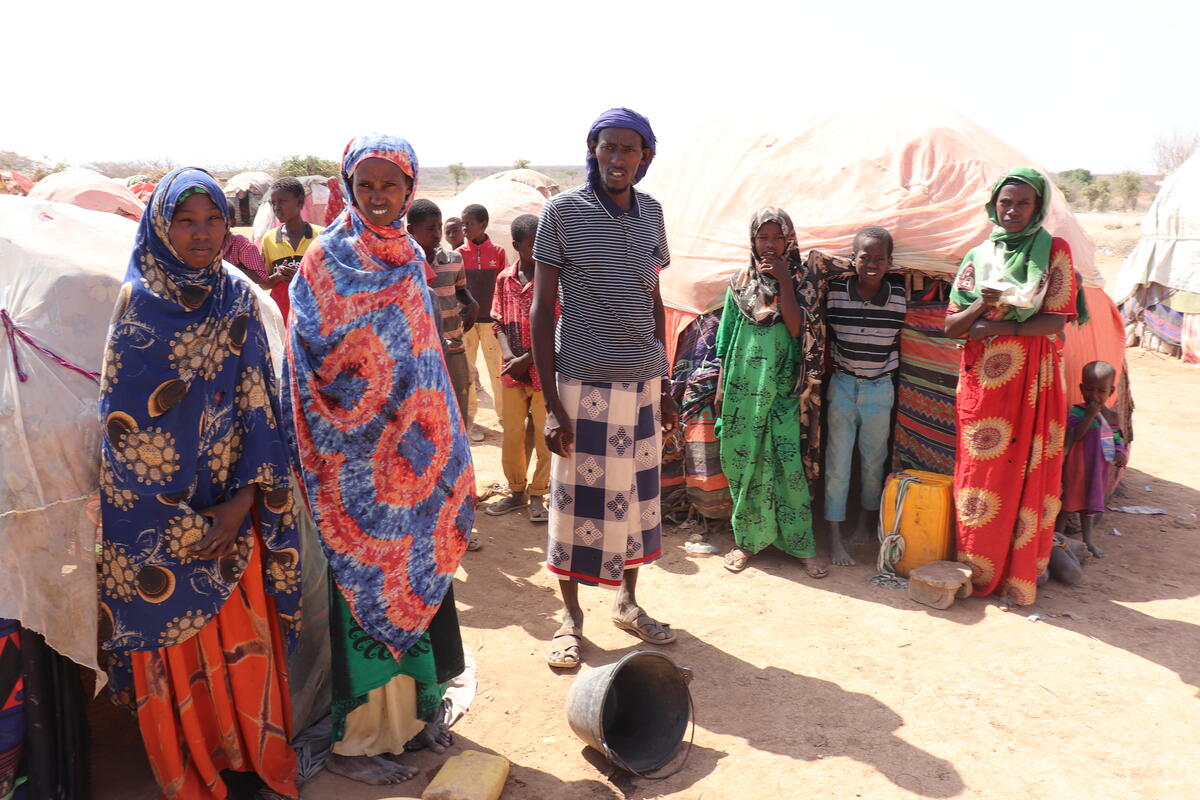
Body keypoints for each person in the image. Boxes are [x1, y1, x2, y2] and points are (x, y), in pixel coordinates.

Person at [98, 167, 301, 798]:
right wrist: (180, 520)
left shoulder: (237, 300)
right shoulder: (137, 310)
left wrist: (241, 505)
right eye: (186, 221)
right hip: (157, 527)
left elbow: (260, 412)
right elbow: (124, 435)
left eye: (213, 219)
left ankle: (250, 764)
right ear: (160, 226)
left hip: (232, 516)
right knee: (176, 656)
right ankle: (192, 769)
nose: (202, 234)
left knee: (246, 649)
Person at [285, 135, 473, 786]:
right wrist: (367, 414)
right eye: (365, 185)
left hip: (414, 461)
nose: (378, 196)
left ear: (409, 187)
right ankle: (359, 741)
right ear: (347, 185)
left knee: (417, 585)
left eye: (390, 185)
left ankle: (415, 721)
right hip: (355, 468)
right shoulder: (324, 258)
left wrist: (430, 435)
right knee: (365, 599)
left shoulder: (408, 254)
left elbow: (421, 356)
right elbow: (310, 355)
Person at [531, 107, 678, 669]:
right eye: (608, 148)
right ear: (593, 150)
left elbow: (653, 301)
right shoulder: (561, 212)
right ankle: (570, 617)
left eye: (629, 150)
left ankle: (629, 603)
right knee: (575, 505)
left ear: (644, 158)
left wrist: (663, 382)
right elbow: (544, 313)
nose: (618, 159)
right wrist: (551, 406)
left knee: (638, 501)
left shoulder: (652, 216)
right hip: (582, 382)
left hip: (641, 381)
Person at [944, 167, 1082, 606]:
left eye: (1023, 203)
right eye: (1006, 202)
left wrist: (995, 331)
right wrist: (981, 312)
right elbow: (951, 326)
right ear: (993, 205)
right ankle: (978, 566)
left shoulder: (1054, 251)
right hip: (984, 386)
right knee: (983, 474)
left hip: (1033, 381)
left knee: (1028, 470)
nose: (1013, 210)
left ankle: (1024, 569)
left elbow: (1055, 319)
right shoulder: (976, 257)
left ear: (1038, 206)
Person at [715, 207, 828, 577]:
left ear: (788, 240)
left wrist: (783, 282)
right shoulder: (739, 283)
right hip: (742, 387)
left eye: (776, 237)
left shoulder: (801, 282)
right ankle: (747, 541)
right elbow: (726, 340)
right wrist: (719, 387)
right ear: (753, 240)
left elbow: (797, 331)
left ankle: (800, 544)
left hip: (782, 388)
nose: (769, 245)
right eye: (762, 237)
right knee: (746, 463)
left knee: (786, 462)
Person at [823, 226, 906, 566]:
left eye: (879, 258)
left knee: (874, 463)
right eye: (864, 257)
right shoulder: (836, 294)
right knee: (837, 464)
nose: (871, 264)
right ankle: (834, 536)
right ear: (852, 259)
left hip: (879, 388)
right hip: (843, 385)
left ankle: (864, 525)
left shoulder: (899, 296)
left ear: (890, 262)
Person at [486, 214, 552, 522]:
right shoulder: (503, 279)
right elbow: (497, 321)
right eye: (532, 244)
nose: (539, 248)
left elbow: (557, 325)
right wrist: (510, 357)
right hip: (512, 371)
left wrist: (526, 359)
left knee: (543, 433)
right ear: (516, 246)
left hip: (544, 371)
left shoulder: (552, 279)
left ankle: (539, 494)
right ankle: (516, 491)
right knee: (512, 433)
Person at [408, 198, 478, 417]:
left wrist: (472, 302)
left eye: (439, 227)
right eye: (430, 229)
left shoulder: (454, 259)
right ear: (411, 230)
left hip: (454, 346)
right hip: (419, 352)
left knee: (458, 409)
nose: (437, 233)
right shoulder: (404, 265)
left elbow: (460, 290)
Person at [1058, 360, 1128, 558]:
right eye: (1089, 389)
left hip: (1097, 470)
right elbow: (1076, 435)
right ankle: (1057, 540)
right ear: (1081, 388)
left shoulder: (1113, 417)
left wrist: (1121, 452)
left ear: (1111, 391)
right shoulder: (1077, 412)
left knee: (1088, 507)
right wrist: (1089, 416)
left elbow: (1118, 438)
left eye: (1101, 391)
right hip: (1077, 468)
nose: (1094, 396)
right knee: (1067, 504)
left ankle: (1088, 541)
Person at [459, 203, 508, 441]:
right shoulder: (459, 253)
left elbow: (502, 286)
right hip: (466, 323)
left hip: (490, 321)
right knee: (467, 371)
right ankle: (470, 420)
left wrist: (500, 317)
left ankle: (505, 415)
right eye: (463, 223)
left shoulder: (498, 252)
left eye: (469, 223)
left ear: (483, 225)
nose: (464, 227)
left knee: (496, 370)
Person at [261, 176, 324, 324]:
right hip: (280, 315)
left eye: (282, 201)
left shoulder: (321, 237)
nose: (277, 207)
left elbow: (330, 282)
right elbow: (263, 283)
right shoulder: (269, 239)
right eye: (273, 203)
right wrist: (277, 277)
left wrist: (301, 277)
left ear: (300, 202)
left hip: (313, 315)